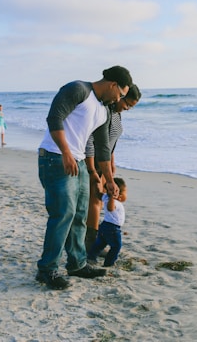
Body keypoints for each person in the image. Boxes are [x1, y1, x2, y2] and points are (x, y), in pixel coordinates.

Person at [36, 66, 133, 290]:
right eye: (120, 95)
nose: (119, 99)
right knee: (63, 214)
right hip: (54, 157)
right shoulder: (78, 89)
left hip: (77, 161)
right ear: (112, 85)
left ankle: (77, 264)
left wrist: (109, 180)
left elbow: (102, 149)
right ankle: (47, 269)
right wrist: (66, 153)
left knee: (79, 214)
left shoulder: (104, 110)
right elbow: (54, 118)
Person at [84, 84, 141, 252]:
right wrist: (92, 168)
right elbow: (93, 141)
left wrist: (112, 162)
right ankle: (90, 243)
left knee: (100, 202)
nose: (128, 108)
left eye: (131, 106)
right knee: (95, 201)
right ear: (120, 95)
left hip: (106, 162)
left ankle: (95, 242)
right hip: (95, 161)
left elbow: (111, 143)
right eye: (128, 104)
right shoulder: (105, 111)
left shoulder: (117, 115)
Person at [87, 177, 127, 267]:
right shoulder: (113, 202)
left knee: (100, 244)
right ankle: (109, 263)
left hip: (105, 226)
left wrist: (96, 184)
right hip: (112, 228)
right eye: (125, 193)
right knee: (116, 246)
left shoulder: (105, 197)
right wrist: (112, 198)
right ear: (118, 194)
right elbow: (110, 208)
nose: (126, 196)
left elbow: (98, 194)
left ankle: (91, 257)